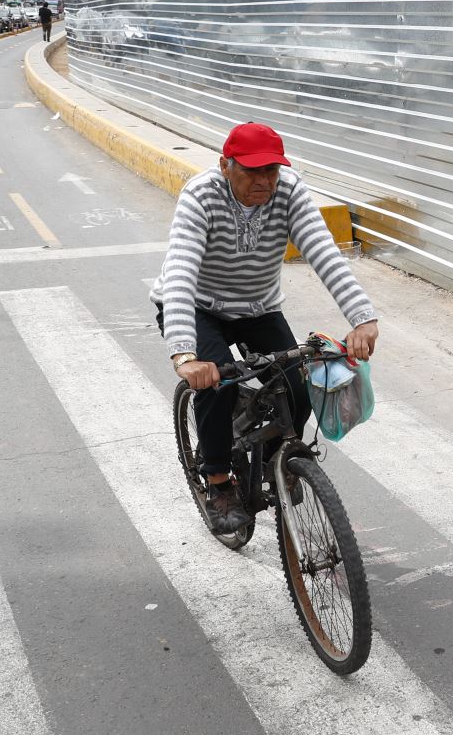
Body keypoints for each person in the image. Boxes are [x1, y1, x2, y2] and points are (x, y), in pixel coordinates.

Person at [152, 122, 379, 533]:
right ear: (225, 165)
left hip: (258, 307)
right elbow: (182, 273)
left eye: (271, 171)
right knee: (215, 383)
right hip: (200, 307)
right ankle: (219, 482)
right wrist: (185, 354)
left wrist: (362, 317)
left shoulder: (289, 190)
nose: (264, 181)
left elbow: (323, 251)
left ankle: (279, 463)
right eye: (252, 171)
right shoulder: (201, 195)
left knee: (297, 384)